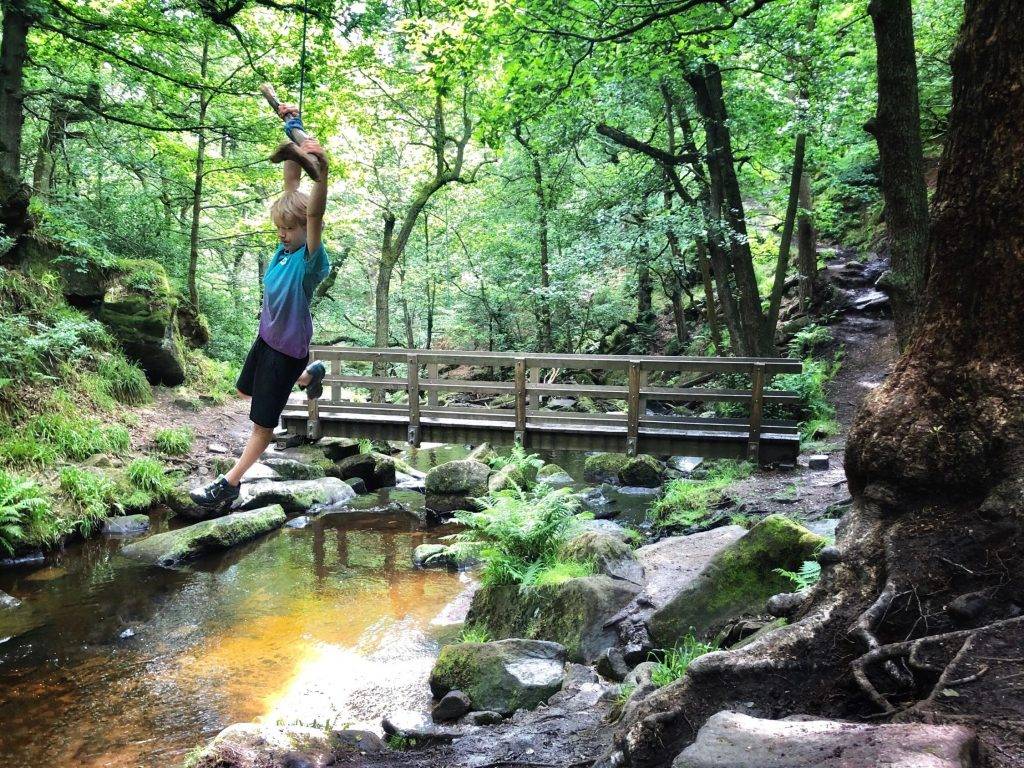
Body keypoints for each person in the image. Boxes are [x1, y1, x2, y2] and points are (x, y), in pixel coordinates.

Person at [190, 102, 330, 509]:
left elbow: (315, 209)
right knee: (243, 390)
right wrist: (291, 123)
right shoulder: (283, 250)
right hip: (269, 339)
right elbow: (291, 183)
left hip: (286, 347)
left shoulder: (309, 261)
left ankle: (229, 484)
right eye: (281, 228)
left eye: (291, 229)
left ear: (308, 230)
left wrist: (321, 172)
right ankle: (308, 376)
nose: (284, 234)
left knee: (261, 422)